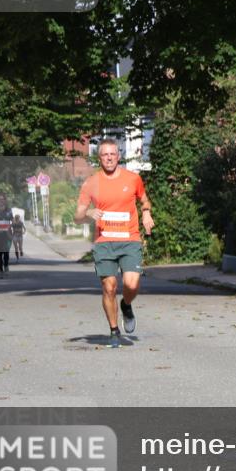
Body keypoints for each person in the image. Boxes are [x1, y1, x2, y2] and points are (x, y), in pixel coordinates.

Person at [74, 139, 155, 348]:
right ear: (99, 158)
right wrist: (89, 212)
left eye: (112, 154)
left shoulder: (133, 179)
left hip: (130, 239)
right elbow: (77, 216)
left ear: (118, 156)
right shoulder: (91, 183)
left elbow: (144, 200)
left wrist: (146, 213)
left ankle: (126, 305)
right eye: (104, 155)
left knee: (131, 284)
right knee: (109, 287)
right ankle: (113, 330)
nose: (109, 158)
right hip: (104, 241)